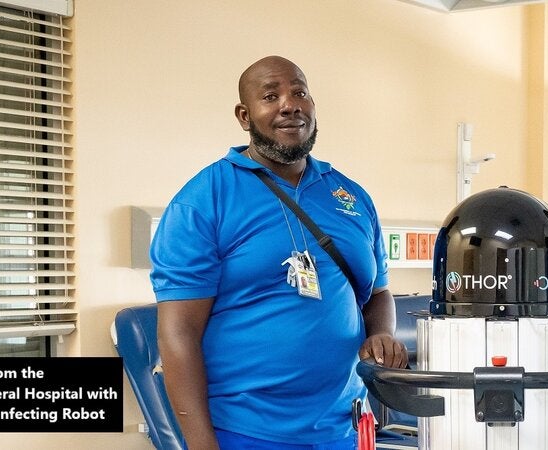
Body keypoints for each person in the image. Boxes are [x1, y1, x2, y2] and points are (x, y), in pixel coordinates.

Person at [150, 56, 407, 450]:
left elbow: (377, 292)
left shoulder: (351, 196)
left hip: (347, 428)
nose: (290, 104)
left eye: (300, 92)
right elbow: (178, 333)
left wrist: (382, 333)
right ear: (244, 115)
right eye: (271, 96)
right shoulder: (204, 201)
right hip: (246, 433)